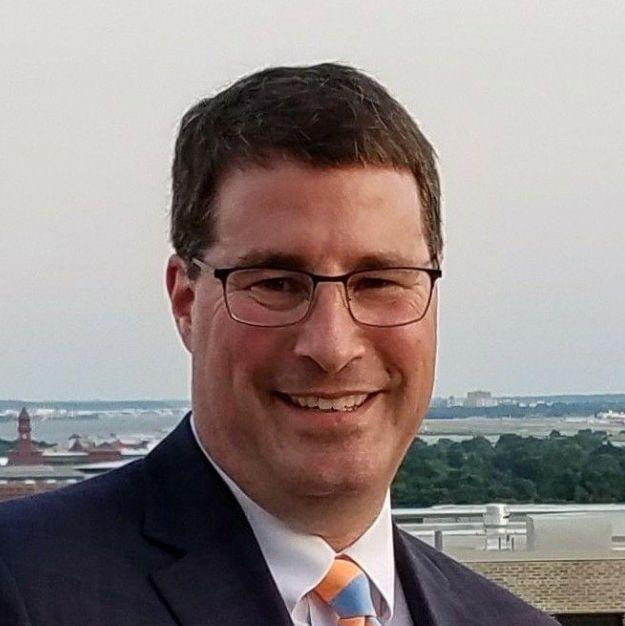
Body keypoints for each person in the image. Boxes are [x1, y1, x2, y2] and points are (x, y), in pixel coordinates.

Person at [0, 63, 557, 626]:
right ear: (186, 302)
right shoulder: (24, 587)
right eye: (276, 284)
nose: (332, 346)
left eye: (379, 282)